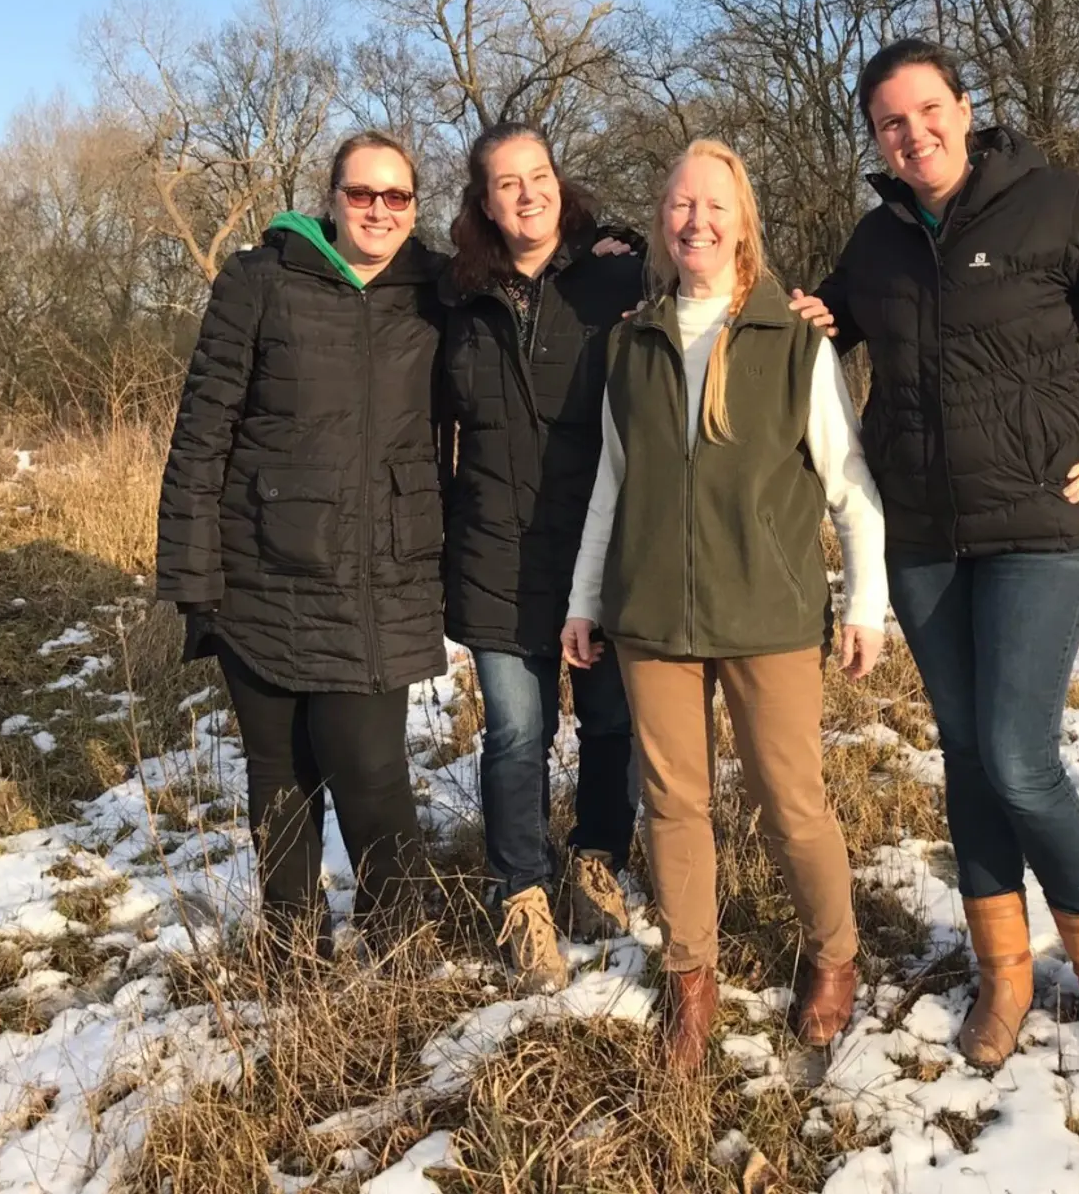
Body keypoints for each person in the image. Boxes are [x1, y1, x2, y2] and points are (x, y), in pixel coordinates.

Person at [791, 39, 1079, 1070]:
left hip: (1039, 530)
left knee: (1020, 758)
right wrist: (799, 315)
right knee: (967, 754)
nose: (914, 132)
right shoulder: (879, 240)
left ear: (965, 108)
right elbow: (836, 315)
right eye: (891, 122)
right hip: (927, 539)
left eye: (927, 110)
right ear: (878, 140)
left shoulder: (1057, 204)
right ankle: (1004, 973)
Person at [562, 139, 889, 1071]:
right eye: (678, 205)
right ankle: (691, 979)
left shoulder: (795, 339)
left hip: (770, 615)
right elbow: (609, 487)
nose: (695, 220)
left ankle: (835, 954)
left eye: (714, 205)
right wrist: (588, 599)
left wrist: (865, 600)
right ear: (660, 222)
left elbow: (849, 481)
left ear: (743, 219)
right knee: (674, 804)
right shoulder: (631, 343)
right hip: (652, 617)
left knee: (792, 801)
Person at [156, 130, 447, 953]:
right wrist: (192, 574)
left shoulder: (434, 294)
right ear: (331, 197)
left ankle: (399, 932)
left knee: (370, 765)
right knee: (279, 774)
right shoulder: (259, 281)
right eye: (363, 193)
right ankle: (290, 939)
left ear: (415, 207)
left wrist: (608, 245)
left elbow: (524, 287)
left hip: (381, 572)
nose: (379, 210)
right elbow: (202, 431)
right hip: (261, 569)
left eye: (397, 196)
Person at [439, 123, 645, 992]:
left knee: (608, 719)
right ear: (483, 203)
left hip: (598, 547)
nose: (528, 193)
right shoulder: (451, 299)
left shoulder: (614, 277)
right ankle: (519, 892)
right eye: (506, 183)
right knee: (518, 731)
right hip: (493, 553)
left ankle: (596, 855)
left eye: (540, 176)